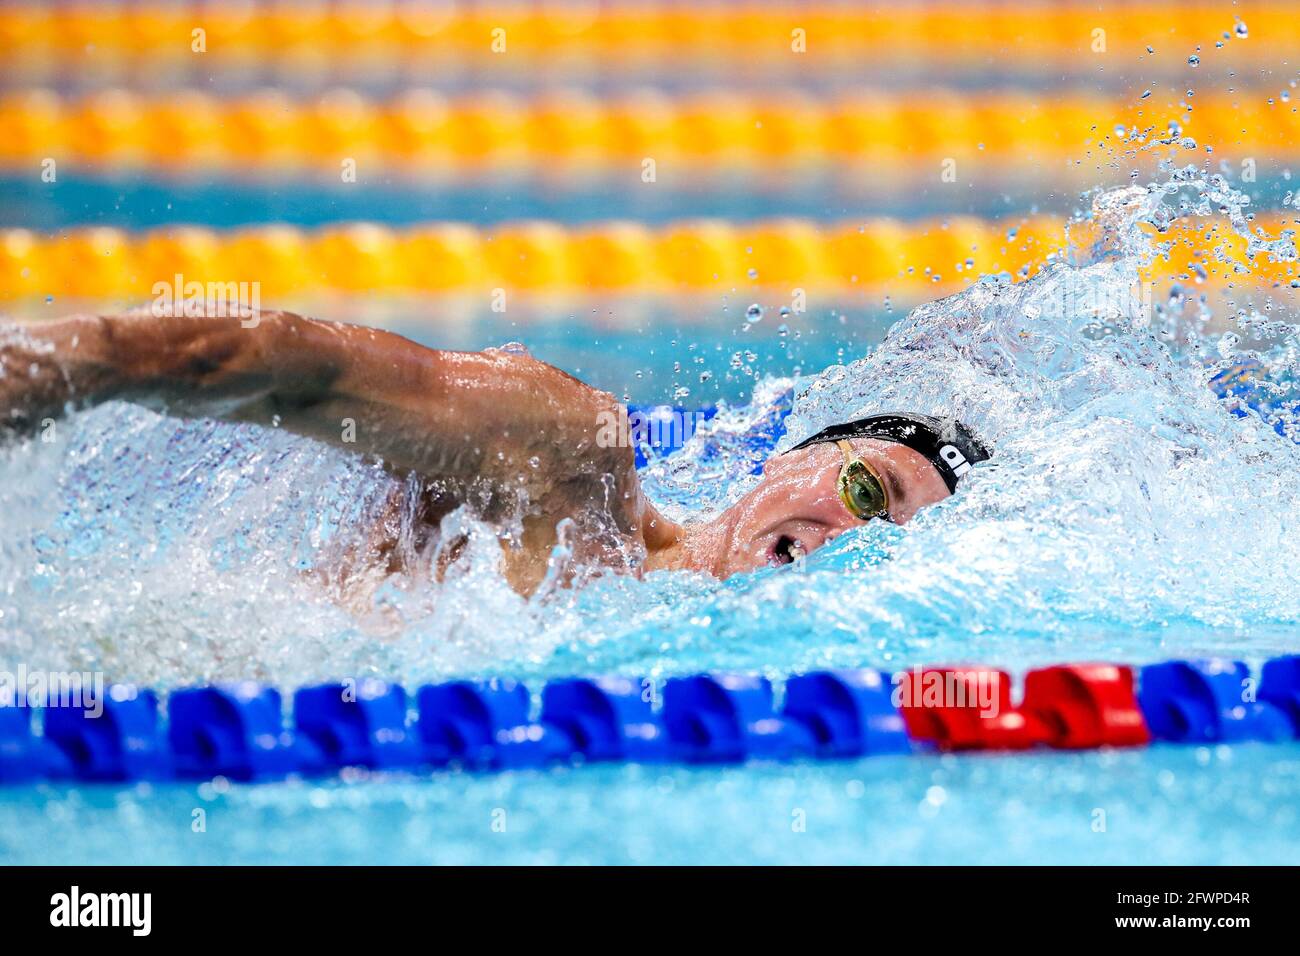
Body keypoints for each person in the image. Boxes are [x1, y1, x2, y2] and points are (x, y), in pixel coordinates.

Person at [0, 308, 989, 595]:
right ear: (783, 460)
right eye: (868, 486)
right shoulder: (567, 467)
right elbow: (285, 363)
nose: (855, 536)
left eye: (893, 538)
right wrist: (51, 370)